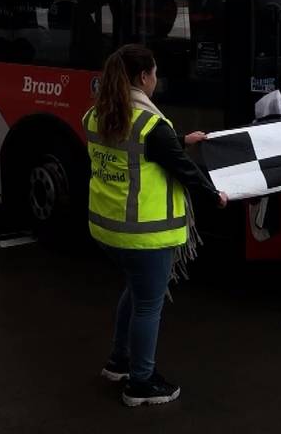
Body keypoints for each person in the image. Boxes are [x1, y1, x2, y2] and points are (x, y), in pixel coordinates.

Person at [82, 44, 228, 407]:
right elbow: (184, 170)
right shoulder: (151, 124)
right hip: (146, 234)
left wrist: (181, 141)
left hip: (107, 230)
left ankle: (118, 363)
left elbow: (141, 151)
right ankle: (141, 383)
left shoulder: (97, 115)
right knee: (149, 306)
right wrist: (216, 197)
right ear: (144, 77)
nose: (156, 79)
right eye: (155, 73)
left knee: (135, 293)